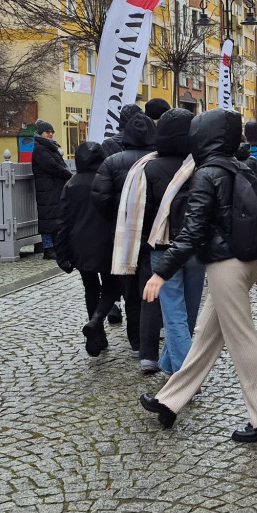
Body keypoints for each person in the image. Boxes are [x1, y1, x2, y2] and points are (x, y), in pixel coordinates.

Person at [139, 108, 257, 443]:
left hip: (225, 267)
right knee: (205, 335)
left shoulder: (207, 174)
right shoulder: (240, 167)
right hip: (242, 263)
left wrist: (160, 272)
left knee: (242, 340)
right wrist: (255, 261)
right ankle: (169, 402)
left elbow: (192, 233)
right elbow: (253, 217)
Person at [92, 111, 160, 367]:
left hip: (125, 234)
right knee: (152, 287)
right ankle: (150, 341)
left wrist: (117, 216)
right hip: (154, 233)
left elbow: (100, 197)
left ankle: (136, 342)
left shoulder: (112, 162)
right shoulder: (159, 161)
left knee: (130, 289)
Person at [143, 108, 204, 376]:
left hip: (163, 250)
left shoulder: (150, 168)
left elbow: (144, 212)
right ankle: (169, 365)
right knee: (188, 315)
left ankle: (185, 377)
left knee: (174, 316)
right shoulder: (200, 164)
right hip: (194, 247)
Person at [54, 142, 120, 357]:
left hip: (79, 245)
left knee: (90, 288)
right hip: (107, 243)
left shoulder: (71, 184)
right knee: (112, 286)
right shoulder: (107, 181)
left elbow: (62, 221)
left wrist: (62, 253)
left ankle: (98, 335)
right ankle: (96, 320)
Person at [31, 120, 72, 261]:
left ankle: (53, 247)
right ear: (40, 133)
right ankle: (48, 249)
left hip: (53, 188)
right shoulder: (40, 149)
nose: (50, 134)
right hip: (47, 189)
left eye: (52, 132)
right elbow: (52, 166)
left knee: (54, 218)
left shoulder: (49, 147)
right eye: (47, 132)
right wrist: (68, 175)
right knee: (47, 219)